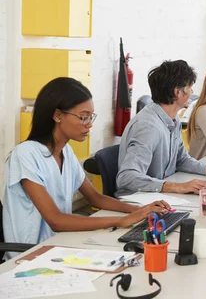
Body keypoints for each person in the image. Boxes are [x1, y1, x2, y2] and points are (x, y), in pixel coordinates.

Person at [2, 78, 169, 258]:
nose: (89, 124)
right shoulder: (25, 155)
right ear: (57, 115)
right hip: (30, 256)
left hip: (60, 244)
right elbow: (55, 220)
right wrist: (122, 220)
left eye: (91, 116)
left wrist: (139, 211)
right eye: (83, 117)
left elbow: (95, 198)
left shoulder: (66, 151)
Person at [116, 60, 206, 197]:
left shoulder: (173, 120)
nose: (192, 92)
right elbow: (127, 178)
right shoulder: (148, 127)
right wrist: (178, 186)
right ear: (177, 92)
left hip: (161, 196)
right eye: (189, 87)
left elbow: (181, 160)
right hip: (139, 200)